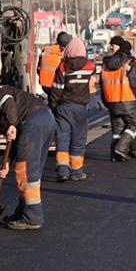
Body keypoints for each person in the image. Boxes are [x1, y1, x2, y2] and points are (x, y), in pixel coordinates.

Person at [0, 81, 55, 230]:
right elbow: (14, 141)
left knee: (26, 172)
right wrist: (7, 163)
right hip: (45, 119)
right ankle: (23, 212)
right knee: (32, 171)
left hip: (34, 121)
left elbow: (7, 100)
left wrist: (11, 124)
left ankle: (33, 217)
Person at [47, 36, 96, 181]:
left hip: (64, 107)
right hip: (81, 108)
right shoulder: (90, 66)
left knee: (62, 138)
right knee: (78, 140)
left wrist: (53, 105)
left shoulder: (63, 67)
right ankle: (77, 172)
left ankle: (62, 170)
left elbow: (57, 89)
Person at [100, 35, 136, 162]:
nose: (110, 47)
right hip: (127, 99)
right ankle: (121, 147)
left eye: (112, 45)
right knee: (134, 124)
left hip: (111, 101)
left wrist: (105, 102)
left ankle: (115, 155)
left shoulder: (105, 64)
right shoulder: (128, 62)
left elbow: (102, 84)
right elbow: (134, 82)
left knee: (117, 128)